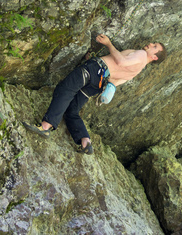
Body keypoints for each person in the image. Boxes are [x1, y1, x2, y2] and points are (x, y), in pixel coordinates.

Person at [39, 34, 167, 154]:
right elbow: (116, 82)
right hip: (100, 82)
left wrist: (108, 44)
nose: (150, 44)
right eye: (153, 43)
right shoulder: (139, 69)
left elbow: (121, 62)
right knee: (72, 110)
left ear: (154, 57)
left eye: (154, 46)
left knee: (66, 89)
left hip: (95, 69)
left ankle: (46, 126)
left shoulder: (141, 55)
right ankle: (85, 141)